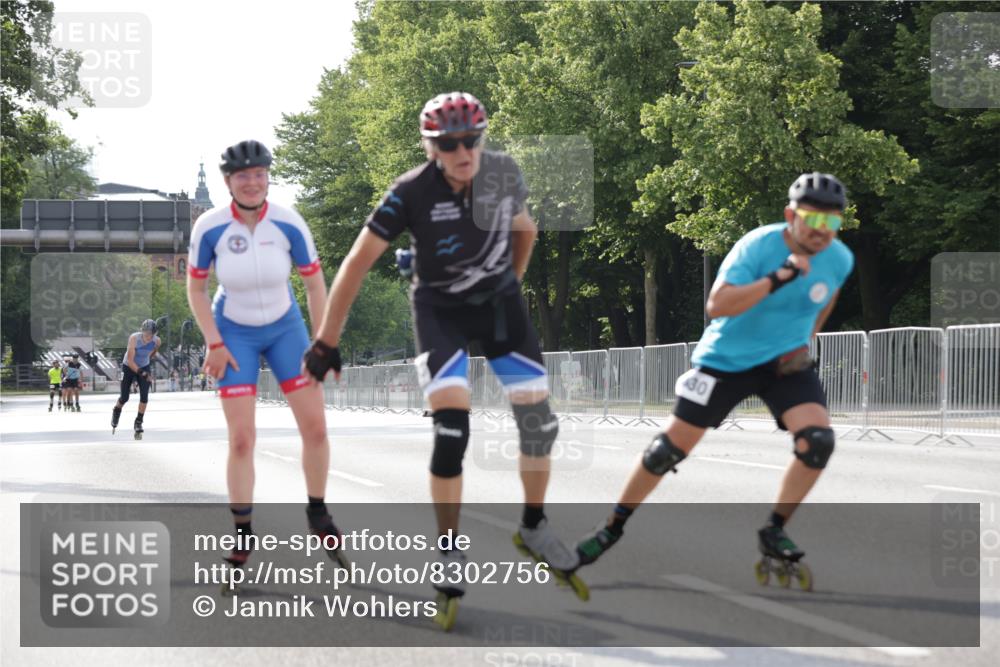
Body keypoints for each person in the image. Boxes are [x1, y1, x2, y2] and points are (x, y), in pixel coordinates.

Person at [302, 92, 584, 624]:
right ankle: (450, 547)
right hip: (440, 313)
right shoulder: (410, 191)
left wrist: (513, 283)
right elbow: (357, 263)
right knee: (452, 429)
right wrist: (326, 341)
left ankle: (533, 524)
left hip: (499, 305)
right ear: (430, 146)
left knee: (537, 421)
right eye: (449, 143)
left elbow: (527, 230)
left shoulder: (501, 173)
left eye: (472, 140)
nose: (463, 151)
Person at [575, 173, 854, 587]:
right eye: (813, 221)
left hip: (784, 363)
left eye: (831, 224)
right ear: (790, 215)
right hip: (726, 361)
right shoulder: (758, 246)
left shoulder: (840, 259)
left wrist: (804, 343)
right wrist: (779, 277)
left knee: (818, 442)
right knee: (665, 452)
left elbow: (824, 303)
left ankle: (774, 528)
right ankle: (612, 526)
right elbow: (718, 305)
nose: (821, 233)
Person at [186, 139, 343, 570]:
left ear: (267, 176)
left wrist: (323, 341)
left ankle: (317, 511)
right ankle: (242, 534)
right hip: (233, 331)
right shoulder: (211, 227)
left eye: (259, 175)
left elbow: (314, 285)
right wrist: (213, 341)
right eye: (242, 177)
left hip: (284, 328)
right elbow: (196, 289)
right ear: (227, 182)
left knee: (315, 429)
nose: (252, 183)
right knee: (241, 439)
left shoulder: (289, 223)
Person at [112, 319, 161, 435]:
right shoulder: (134, 339)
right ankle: (116, 411)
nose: (148, 337)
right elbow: (130, 361)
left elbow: (153, 352)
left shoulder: (157, 341)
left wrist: (147, 360)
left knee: (144, 396)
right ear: (142, 331)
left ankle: (138, 422)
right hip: (128, 367)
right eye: (146, 333)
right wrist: (142, 373)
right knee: (124, 397)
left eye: (151, 334)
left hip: (144, 366)